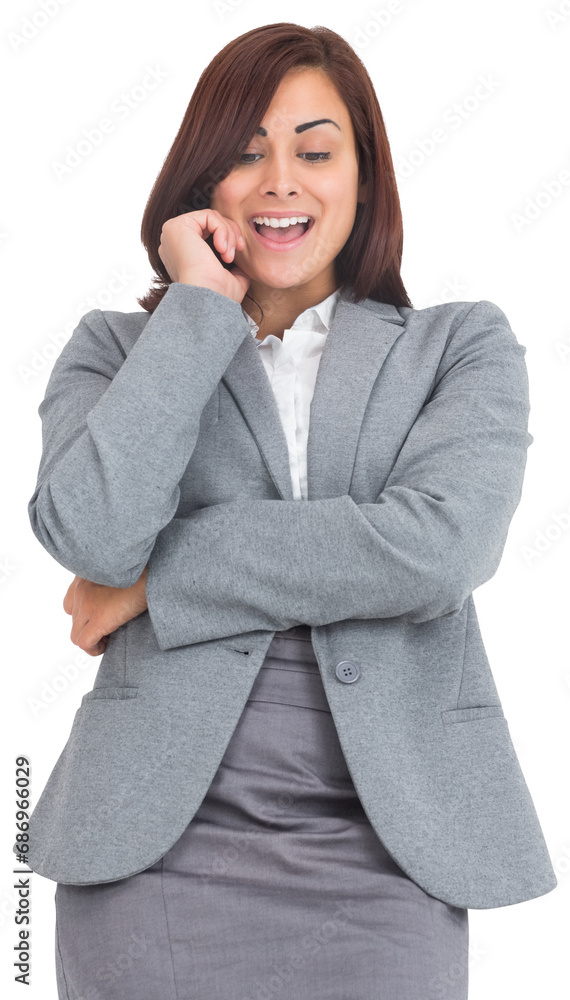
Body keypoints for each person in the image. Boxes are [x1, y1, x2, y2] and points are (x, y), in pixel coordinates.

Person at [18, 21, 556, 1000]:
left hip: (391, 851)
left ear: (365, 179)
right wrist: (194, 313)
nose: (280, 182)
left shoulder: (459, 348)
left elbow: (438, 548)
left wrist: (156, 581)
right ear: (199, 180)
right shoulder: (115, 350)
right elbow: (93, 533)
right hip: (153, 859)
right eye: (244, 151)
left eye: (315, 151)